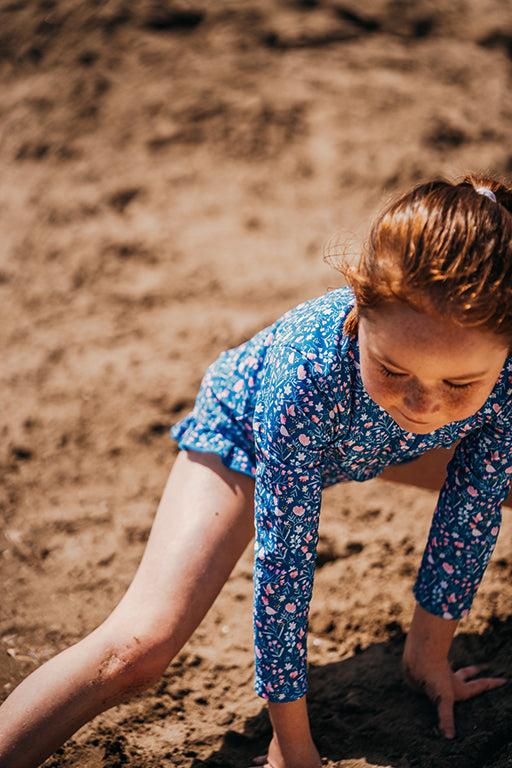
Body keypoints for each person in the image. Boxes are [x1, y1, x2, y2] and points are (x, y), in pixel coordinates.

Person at [1, 175, 512, 768]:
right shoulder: (306, 371)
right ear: (359, 304)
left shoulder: (496, 377)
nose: (423, 403)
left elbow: (469, 511)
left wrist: (429, 653)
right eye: (393, 367)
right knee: (139, 649)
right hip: (247, 439)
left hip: (377, 443)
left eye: (459, 382)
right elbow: (284, 564)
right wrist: (291, 741)